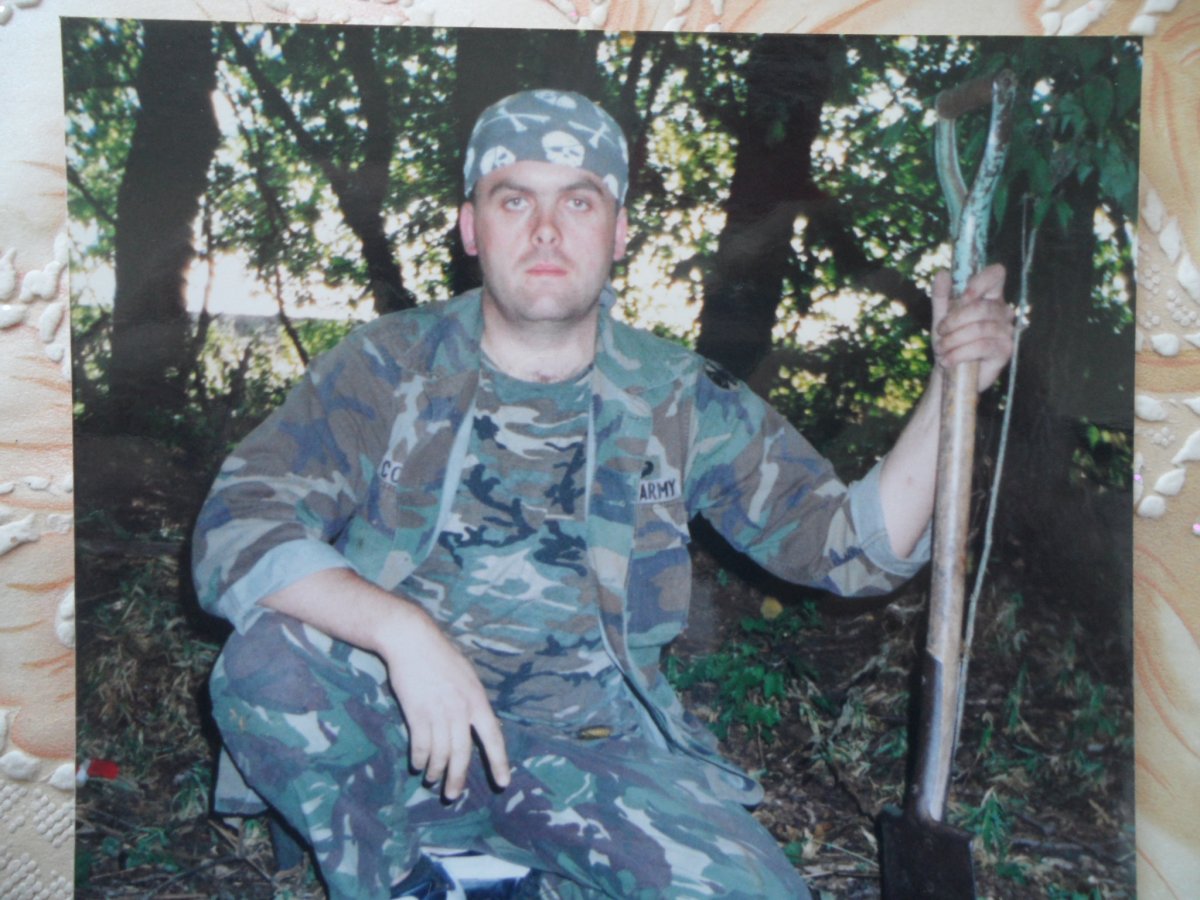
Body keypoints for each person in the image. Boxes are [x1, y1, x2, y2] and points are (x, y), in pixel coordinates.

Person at [193, 89, 1015, 900]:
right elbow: (235, 527)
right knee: (269, 655)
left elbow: (853, 551)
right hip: (405, 742)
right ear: (472, 228)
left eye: (579, 201)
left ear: (619, 232)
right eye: (514, 199)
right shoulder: (385, 366)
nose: (547, 229)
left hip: (597, 756)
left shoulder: (678, 395)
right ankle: (406, 881)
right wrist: (401, 632)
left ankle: (526, 873)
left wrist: (951, 389)